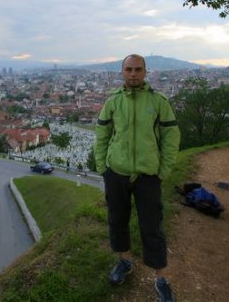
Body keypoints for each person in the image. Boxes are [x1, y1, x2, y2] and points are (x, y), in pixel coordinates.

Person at [94, 54, 180, 302]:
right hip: (117, 172)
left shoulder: (159, 101)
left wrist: (163, 170)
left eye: (138, 69)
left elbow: (171, 138)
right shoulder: (113, 102)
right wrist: (103, 167)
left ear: (145, 72)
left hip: (147, 175)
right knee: (117, 220)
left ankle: (161, 277)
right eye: (129, 69)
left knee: (152, 226)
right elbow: (102, 135)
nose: (133, 74)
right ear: (122, 72)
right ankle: (125, 261)